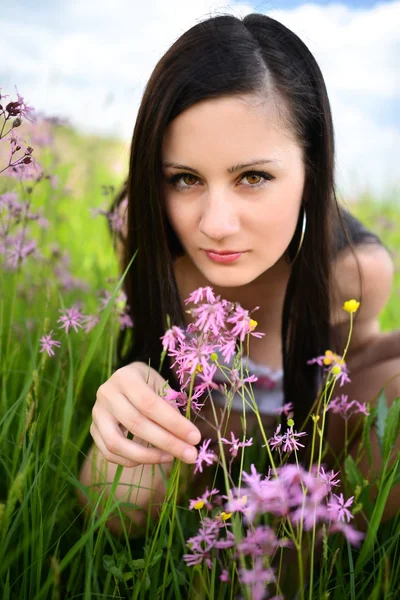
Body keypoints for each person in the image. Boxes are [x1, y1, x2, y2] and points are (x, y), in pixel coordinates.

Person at [78, 12, 400, 536]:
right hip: (195, 449)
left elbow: (355, 362)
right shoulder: (150, 238)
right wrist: (125, 389)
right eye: (184, 178)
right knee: (120, 504)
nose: (216, 225)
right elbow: (143, 352)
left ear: (312, 166)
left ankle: (310, 551)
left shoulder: (354, 271)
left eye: (253, 177)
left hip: (308, 442)